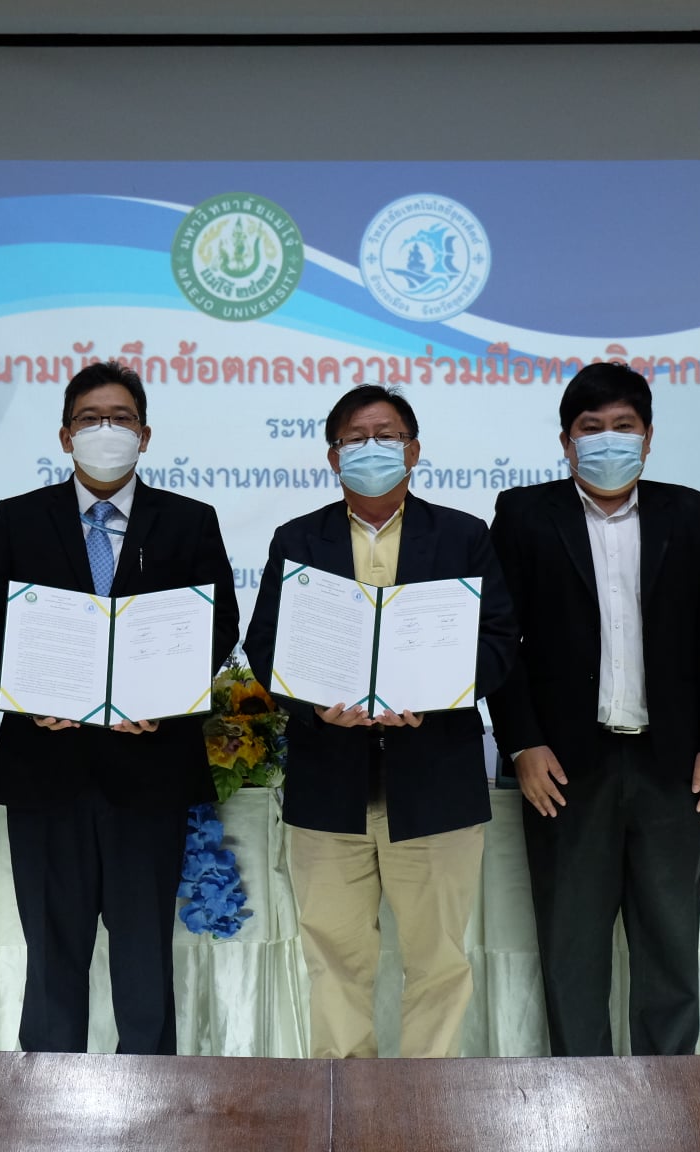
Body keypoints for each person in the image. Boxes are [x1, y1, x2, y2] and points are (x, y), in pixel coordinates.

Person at [0, 362, 238, 1055]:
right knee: (53, 954)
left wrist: (169, 700)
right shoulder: (19, 518)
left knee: (144, 959)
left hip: (151, 770)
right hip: (47, 771)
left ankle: (152, 1108)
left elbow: (219, 623)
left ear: (144, 434)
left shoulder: (188, 521)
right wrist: (29, 696)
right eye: (90, 419)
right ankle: (46, 1109)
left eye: (120, 418)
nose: (105, 430)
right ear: (65, 434)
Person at [244, 384, 518, 1059]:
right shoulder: (298, 539)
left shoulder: (461, 536)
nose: (373, 448)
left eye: (386, 435)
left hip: (436, 782)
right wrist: (311, 702)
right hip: (326, 782)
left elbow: (501, 641)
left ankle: (428, 1110)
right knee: (335, 958)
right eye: (356, 438)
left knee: (438, 962)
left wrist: (440, 690)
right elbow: (266, 646)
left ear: (414, 450)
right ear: (333, 456)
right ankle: (346, 1106)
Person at [488, 362, 700, 1057]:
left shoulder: (689, 513)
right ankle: (582, 1108)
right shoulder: (523, 514)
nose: (608, 440)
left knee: (669, 951)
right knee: (572, 955)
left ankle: (669, 1106)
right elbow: (500, 640)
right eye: (591, 428)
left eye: (624, 427)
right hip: (563, 769)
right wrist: (522, 743)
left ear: (649, 437)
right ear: (566, 442)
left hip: (673, 767)